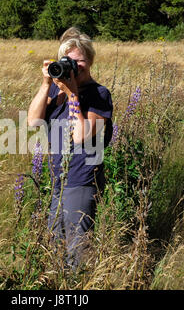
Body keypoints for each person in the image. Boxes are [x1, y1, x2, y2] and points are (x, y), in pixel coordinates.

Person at [28, 27, 113, 270]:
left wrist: (73, 94)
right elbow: (32, 121)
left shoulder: (99, 94)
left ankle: (82, 287)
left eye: (80, 61)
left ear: (91, 61)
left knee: (78, 249)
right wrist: (46, 84)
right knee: (55, 246)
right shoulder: (57, 89)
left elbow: (81, 137)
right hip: (59, 179)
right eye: (68, 61)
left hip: (82, 178)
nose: (74, 67)